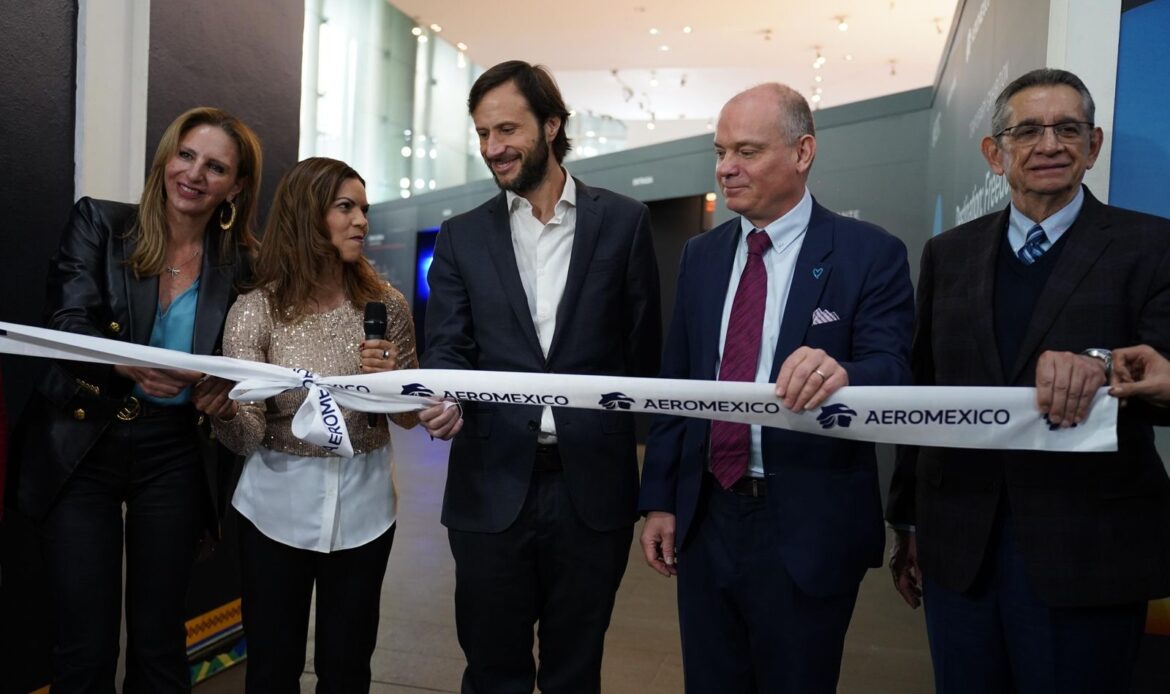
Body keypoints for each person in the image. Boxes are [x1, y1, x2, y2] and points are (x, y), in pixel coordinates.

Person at [887, 68, 1170, 693]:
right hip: (961, 550)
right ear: (996, 153)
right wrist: (908, 525)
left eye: (1068, 129)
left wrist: (1102, 363)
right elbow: (923, 393)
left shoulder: (1152, 245)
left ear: (1093, 146)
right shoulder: (948, 253)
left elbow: (1165, 372)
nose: (1049, 144)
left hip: (1088, 555)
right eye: (1029, 131)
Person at [638, 83, 914, 692]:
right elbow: (677, 383)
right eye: (720, 151)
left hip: (807, 526)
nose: (726, 168)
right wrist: (661, 498)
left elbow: (893, 371)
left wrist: (845, 374)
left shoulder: (869, 255)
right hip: (707, 518)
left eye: (747, 151)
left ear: (803, 152)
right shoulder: (701, 256)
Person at [418, 60, 661, 693]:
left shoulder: (625, 223)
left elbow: (646, 361)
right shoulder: (461, 237)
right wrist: (445, 396)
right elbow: (448, 346)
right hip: (488, 488)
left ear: (552, 126)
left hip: (593, 492)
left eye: (506, 129)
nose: (492, 148)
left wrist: (659, 489)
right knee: (492, 671)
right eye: (481, 133)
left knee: (575, 672)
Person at [13, 107, 262, 692]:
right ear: (166, 157)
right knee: (86, 644)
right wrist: (128, 362)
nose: (194, 173)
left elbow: (247, 364)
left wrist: (227, 395)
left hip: (174, 452)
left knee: (158, 644)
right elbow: (65, 318)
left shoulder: (245, 265)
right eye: (186, 154)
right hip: (83, 443)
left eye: (216, 166)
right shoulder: (99, 222)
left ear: (237, 186)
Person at [211, 157, 419, 692]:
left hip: (367, 508)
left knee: (348, 666)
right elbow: (246, 436)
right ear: (307, 215)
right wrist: (228, 410)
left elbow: (414, 412)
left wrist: (393, 382)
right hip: (274, 510)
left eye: (364, 210)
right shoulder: (257, 310)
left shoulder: (386, 304)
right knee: (272, 667)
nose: (361, 222)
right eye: (345, 207)